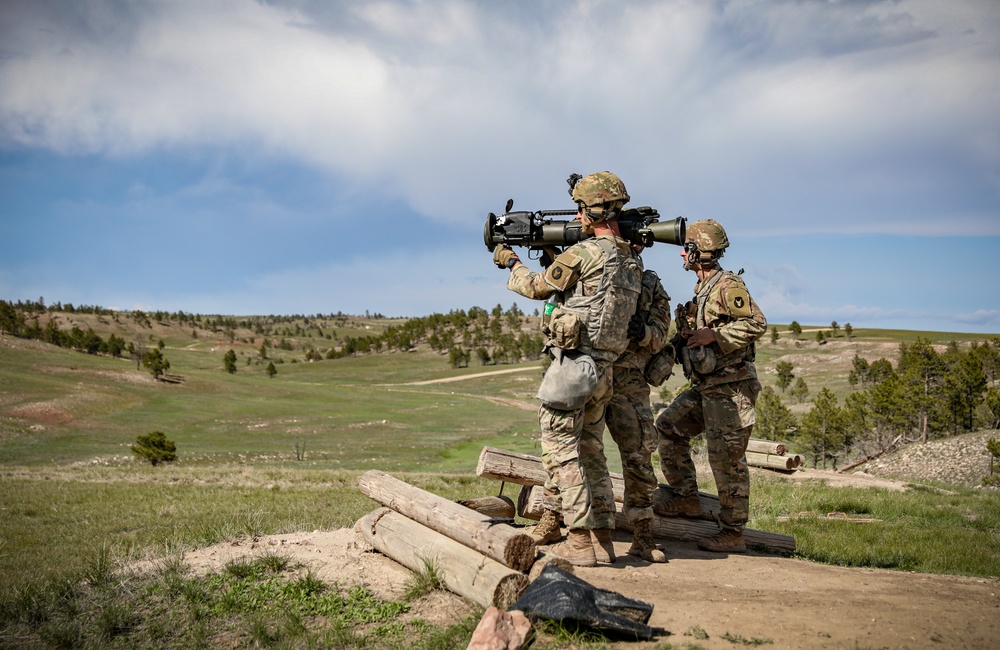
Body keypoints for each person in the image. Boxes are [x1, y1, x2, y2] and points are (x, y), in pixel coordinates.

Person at [492, 171, 641, 566]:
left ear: (593, 209)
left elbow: (538, 287)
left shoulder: (586, 253)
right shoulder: (630, 260)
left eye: (580, 206)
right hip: (604, 371)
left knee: (561, 452)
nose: (576, 213)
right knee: (593, 453)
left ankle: (578, 540)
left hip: (575, 367)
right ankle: (603, 539)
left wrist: (510, 261)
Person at [653, 219, 766, 553]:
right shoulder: (703, 290)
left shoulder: (727, 285)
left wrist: (714, 335)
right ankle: (687, 498)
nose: (681, 257)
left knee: (726, 459)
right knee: (669, 427)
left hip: (731, 390)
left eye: (684, 250)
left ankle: (732, 533)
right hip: (707, 387)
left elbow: (756, 323)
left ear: (696, 252)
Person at [605, 251, 672, 563]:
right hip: (588, 371)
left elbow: (661, 335)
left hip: (628, 378)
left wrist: (643, 333)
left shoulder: (649, 283)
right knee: (567, 449)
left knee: (639, 454)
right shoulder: (588, 268)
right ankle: (557, 519)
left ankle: (642, 535)